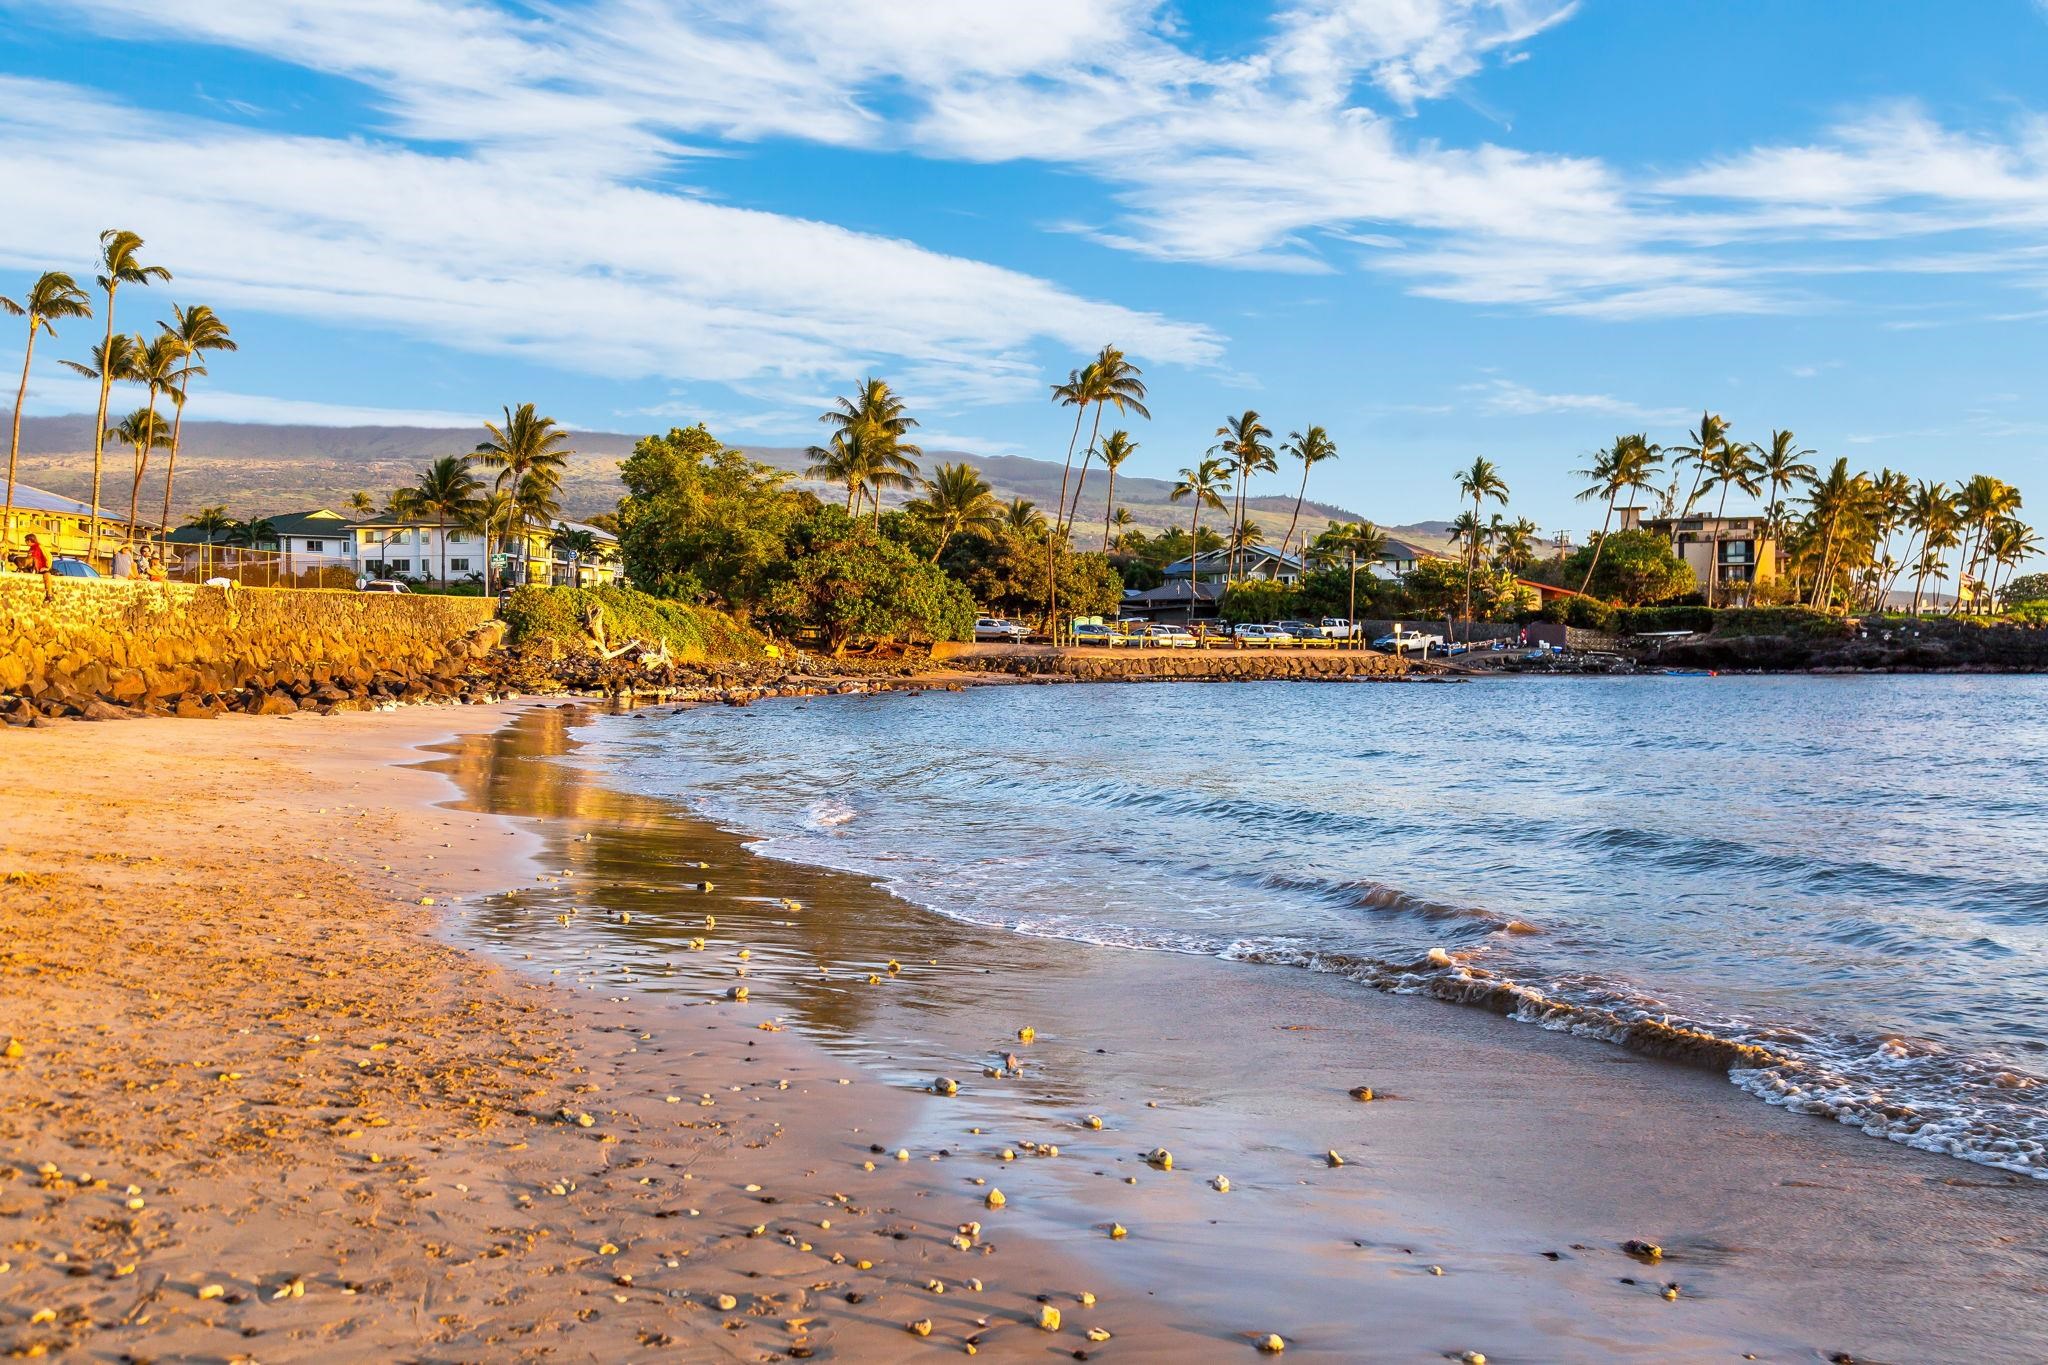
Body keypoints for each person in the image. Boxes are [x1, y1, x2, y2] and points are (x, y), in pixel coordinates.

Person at [23, 533, 52, 602]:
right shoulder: (30, 549)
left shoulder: (40, 546)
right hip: (32, 569)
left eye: (26, 541)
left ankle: (49, 595)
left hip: (42, 568)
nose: (25, 542)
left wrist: (47, 567)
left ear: (29, 540)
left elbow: (49, 556)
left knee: (47, 576)